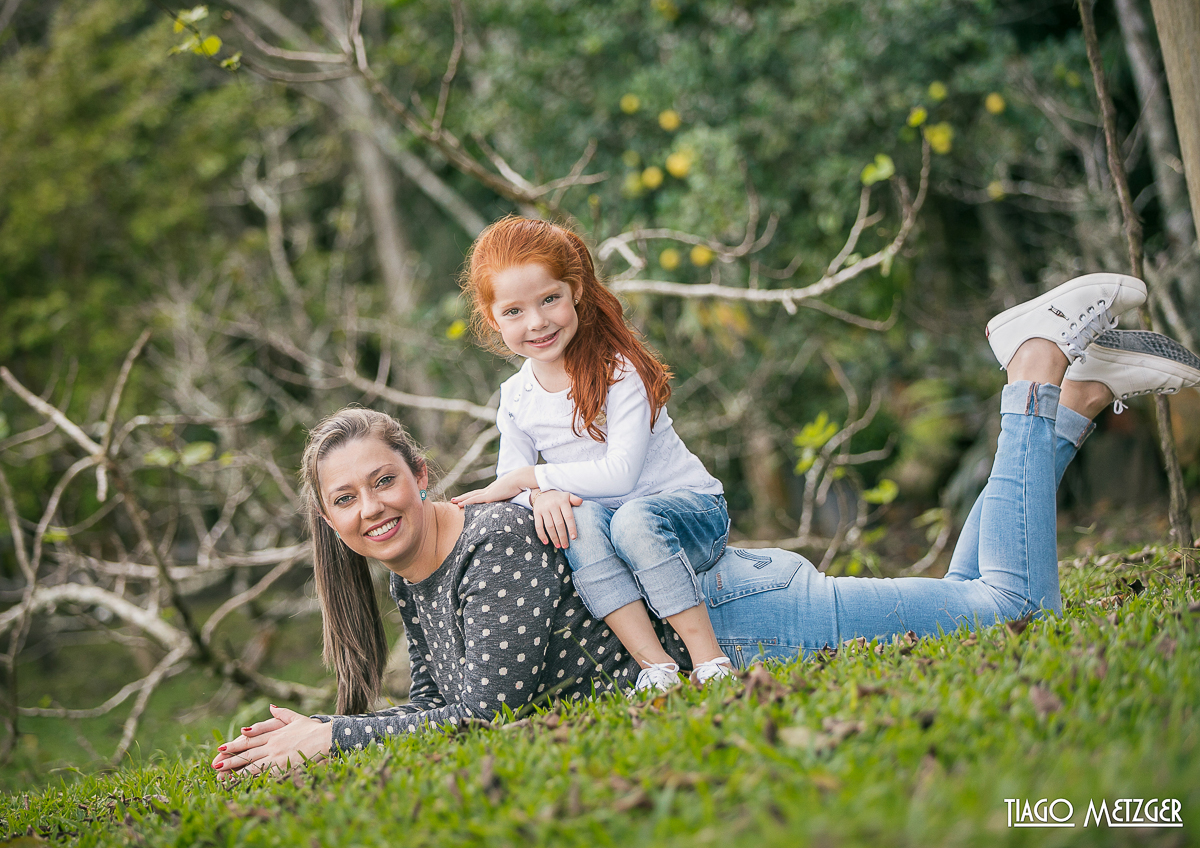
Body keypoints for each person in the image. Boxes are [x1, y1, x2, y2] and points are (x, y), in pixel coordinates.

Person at [211, 271, 1200, 777]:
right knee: (967, 590)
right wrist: (329, 728)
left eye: (382, 481)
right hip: (726, 602)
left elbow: (487, 711)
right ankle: (1078, 402)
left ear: (420, 472)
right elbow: (441, 693)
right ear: (328, 520)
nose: (371, 507)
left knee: (1009, 605)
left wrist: (335, 739)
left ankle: (1031, 362)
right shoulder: (416, 571)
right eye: (345, 499)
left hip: (742, 621)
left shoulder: (494, 539)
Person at [450, 216, 734, 692]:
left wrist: (534, 482)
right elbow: (512, 486)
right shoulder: (516, 397)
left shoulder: (617, 369)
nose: (537, 322)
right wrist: (542, 497)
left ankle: (711, 661)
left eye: (549, 299)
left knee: (632, 519)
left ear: (575, 290)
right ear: (492, 319)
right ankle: (657, 667)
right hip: (613, 530)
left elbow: (617, 475)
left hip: (691, 514)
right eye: (514, 311)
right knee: (574, 525)